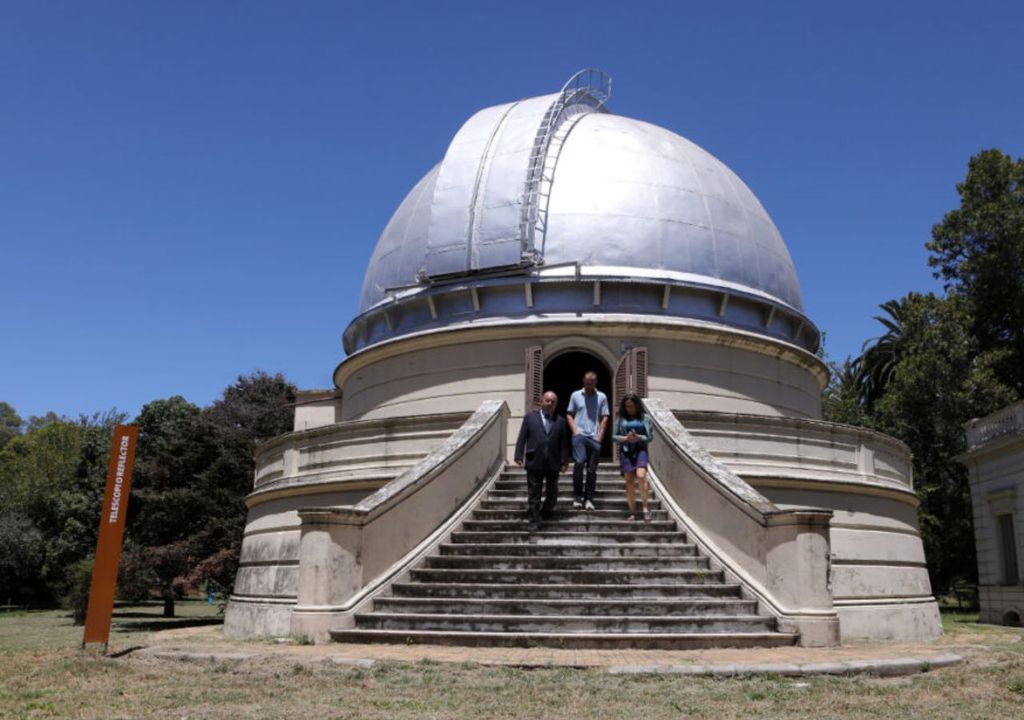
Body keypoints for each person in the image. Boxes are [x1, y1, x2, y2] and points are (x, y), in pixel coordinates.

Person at [514, 390, 570, 532]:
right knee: (534, 494)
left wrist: (565, 461)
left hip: (553, 462)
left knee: (552, 494)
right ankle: (534, 521)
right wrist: (518, 454)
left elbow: (564, 443)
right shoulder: (529, 418)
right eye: (547, 400)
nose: (550, 403)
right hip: (534, 460)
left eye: (553, 401)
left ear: (556, 404)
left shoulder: (561, 421)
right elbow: (522, 437)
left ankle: (544, 512)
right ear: (541, 401)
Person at [566, 370, 610, 511]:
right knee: (579, 463)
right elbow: (569, 414)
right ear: (583, 382)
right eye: (586, 383)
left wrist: (600, 437)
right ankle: (577, 496)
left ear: (595, 383)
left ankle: (589, 498)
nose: (588, 385)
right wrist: (575, 431)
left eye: (591, 383)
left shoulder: (602, 397)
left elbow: (605, 417)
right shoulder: (576, 395)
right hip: (579, 436)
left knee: (592, 469)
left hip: (594, 437)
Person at [612, 392, 653, 521]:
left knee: (641, 476)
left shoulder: (645, 418)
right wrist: (626, 438)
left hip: (640, 449)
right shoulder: (620, 420)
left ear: (637, 405)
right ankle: (633, 512)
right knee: (629, 482)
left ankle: (645, 507)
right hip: (626, 451)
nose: (630, 409)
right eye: (627, 406)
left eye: (632, 406)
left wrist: (639, 437)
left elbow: (650, 437)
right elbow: (614, 437)